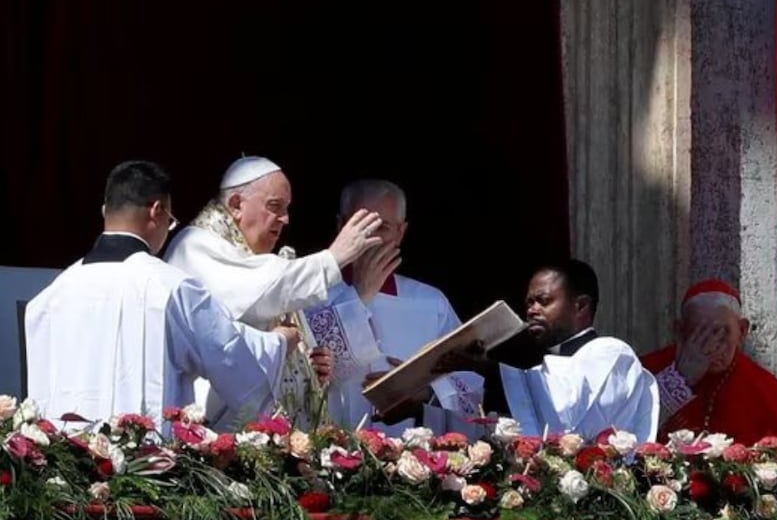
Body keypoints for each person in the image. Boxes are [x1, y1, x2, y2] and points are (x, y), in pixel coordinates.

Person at [25, 160, 296, 431]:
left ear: (106, 210)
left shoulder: (48, 298)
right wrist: (278, 343)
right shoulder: (171, 288)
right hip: (148, 466)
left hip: (66, 465)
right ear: (157, 211)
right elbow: (228, 354)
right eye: (170, 221)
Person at [163, 155, 383, 430]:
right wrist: (333, 258)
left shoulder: (262, 264)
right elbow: (263, 293)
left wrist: (307, 364)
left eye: (287, 208)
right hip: (216, 425)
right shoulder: (195, 246)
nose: (285, 219)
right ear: (235, 205)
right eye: (274, 206)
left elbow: (275, 308)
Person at [302, 179, 484, 436]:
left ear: (401, 232)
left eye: (384, 227)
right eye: (361, 225)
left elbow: (468, 381)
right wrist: (358, 296)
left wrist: (425, 393)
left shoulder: (431, 303)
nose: (372, 238)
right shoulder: (309, 294)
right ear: (341, 226)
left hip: (411, 459)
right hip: (327, 452)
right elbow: (298, 376)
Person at [442, 259, 697, 442]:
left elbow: (565, 407)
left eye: (543, 301)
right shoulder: (541, 373)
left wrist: (486, 368)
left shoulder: (612, 354)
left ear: (580, 306)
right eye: (529, 302)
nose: (531, 310)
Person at [641, 279, 777, 456]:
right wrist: (679, 380)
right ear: (680, 331)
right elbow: (625, 430)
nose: (711, 346)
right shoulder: (646, 372)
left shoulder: (766, 390)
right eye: (700, 334)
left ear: (742, 331)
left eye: (722, 333)